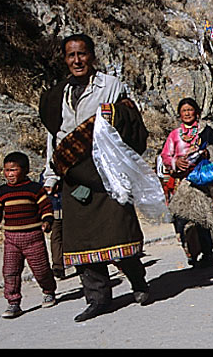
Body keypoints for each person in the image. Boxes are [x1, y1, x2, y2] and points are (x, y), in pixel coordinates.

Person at [38, 33, 158, 322]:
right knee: (82, 241)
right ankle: (98, 298)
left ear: (92, 55)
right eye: (71, 55)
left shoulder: (111, 86)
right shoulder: (58, 95)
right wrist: (51, 177)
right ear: (64, 59)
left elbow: (129, 122)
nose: (76, 60)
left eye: (82, 54)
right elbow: (54, 139)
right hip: (73, 174)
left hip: (107, 173)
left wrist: (115, 117)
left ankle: (138, 281)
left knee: (119, 231)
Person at [0, 152, 57, 318]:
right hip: (11, 239)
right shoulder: (3, 191)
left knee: (40, 270)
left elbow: (46, 207)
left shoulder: (34, 189)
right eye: (6, 170)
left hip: (33, 237)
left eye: (14, 170)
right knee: (10, 271)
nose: (9, 174)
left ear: (25, 170)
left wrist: (47, 221)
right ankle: (13, 303)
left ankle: (48, 291)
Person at [162, 97, 213, 268]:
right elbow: (165, 156)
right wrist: (176, 162)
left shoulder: (205, 131)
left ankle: (207, 252)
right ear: (180, 114)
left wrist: (208, 154)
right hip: (182, 183)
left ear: (196, 112)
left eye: (190, 110)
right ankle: (190, 251)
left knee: (203, 219)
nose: (187, 113)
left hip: (200, 183)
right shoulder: (174, 135)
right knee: (181, 220)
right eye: (184, 111)